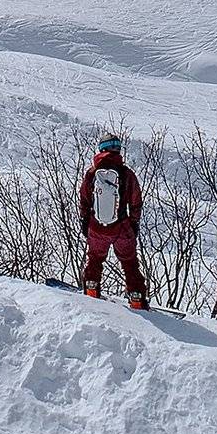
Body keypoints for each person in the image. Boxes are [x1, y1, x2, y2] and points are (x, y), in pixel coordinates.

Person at [78, 132, 148, 308]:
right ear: (117, 149)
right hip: (121, 227)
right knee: (130, 263)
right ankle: (137, 299)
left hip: (97, 226)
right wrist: (134, 223)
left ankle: (92, 290)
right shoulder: (126, 174)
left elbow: (84, 199)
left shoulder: (92, 173)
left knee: (94, 260)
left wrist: (85, 221)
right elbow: (135, 201)